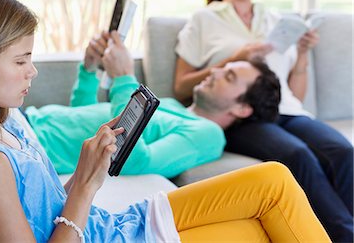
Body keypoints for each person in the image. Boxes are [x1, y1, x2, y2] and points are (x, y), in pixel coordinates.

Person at [0, 0, 330, 242]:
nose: (34, 71)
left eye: (229, 75)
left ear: (242, 107)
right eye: (21, 60)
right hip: (109, 231)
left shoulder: (7, 120)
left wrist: (105, 77)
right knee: (272, 192)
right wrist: (83, 182)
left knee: (269, 196)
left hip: (112, 226)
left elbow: (55, 199)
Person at [173, 0, 353, 242]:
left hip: (286, 110)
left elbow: (294, 93)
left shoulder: (274, 20)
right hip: (241, 115)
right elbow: (180, 87)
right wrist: (235, 57)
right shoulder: (204, 20)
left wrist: (303, 56)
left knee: (344, 152)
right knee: (298, 155)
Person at [25, 31, 281, 178]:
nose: (213, 72)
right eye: (223, 67)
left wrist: (124, 77)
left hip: (34, 148)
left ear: (242, 109)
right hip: (26, 122)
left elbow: (136, 162)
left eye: (229, 76)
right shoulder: (172, 106)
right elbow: (83, 114)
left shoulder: (208, 135)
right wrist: (90, 68)